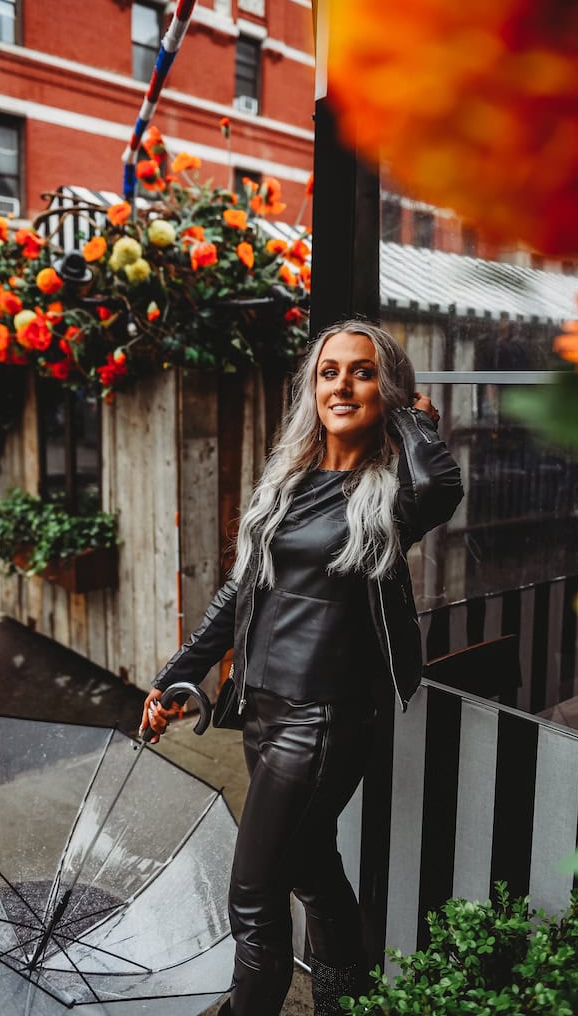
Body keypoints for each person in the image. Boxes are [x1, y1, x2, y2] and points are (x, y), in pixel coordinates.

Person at [139, 319, 463, 1016]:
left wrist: (412, 422)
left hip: (321, 723)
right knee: (314, 868)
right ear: (311, 388)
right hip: (263, 713)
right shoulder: (290, 479)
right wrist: (177, 675)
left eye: (363, 371)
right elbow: (237, 594)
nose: (342, 384)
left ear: (389, 390)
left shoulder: (390, 496)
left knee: (253, 897)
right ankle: (347, 1001)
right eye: (328, 371)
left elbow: (442, 486)